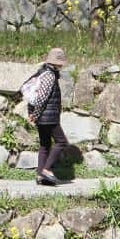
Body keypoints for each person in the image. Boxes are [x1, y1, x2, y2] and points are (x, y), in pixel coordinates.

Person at [27, 46, 71, 186]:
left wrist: (35, 114)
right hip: (48, 117)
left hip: (44, 116)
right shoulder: (49, 75)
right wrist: (36, 114)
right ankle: (46, 170)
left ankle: (41, 176)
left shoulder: (44, 72)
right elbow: (41, 98)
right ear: (57, 62)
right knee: (61, 142)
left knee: (45, 145)